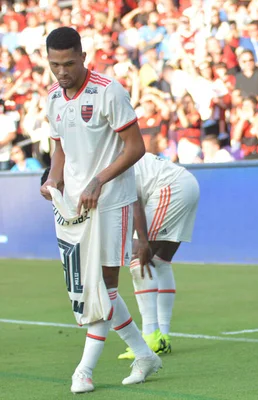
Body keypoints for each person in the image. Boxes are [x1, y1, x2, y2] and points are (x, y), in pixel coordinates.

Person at [38, 27, 162, 394]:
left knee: (103, 285)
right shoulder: (53, 98)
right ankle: (144, 354)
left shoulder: (108, 91)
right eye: (54, 64)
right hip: (74, 207)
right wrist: (54, 181)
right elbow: (58, 147)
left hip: (112, 201)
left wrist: (99, 180)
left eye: (68, 63)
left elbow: (136, 147)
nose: (61, 71)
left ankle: (84, 370)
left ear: (83, 57)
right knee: (89, 286)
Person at [118, 152, 200, 359]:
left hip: (169, 188)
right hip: (186, 183)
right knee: (160, 261)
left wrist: (143, 241)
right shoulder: (116, 150)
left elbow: (133, 199)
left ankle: (150, 336)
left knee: (139, 257)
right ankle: (162, 336)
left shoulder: (107, 159)